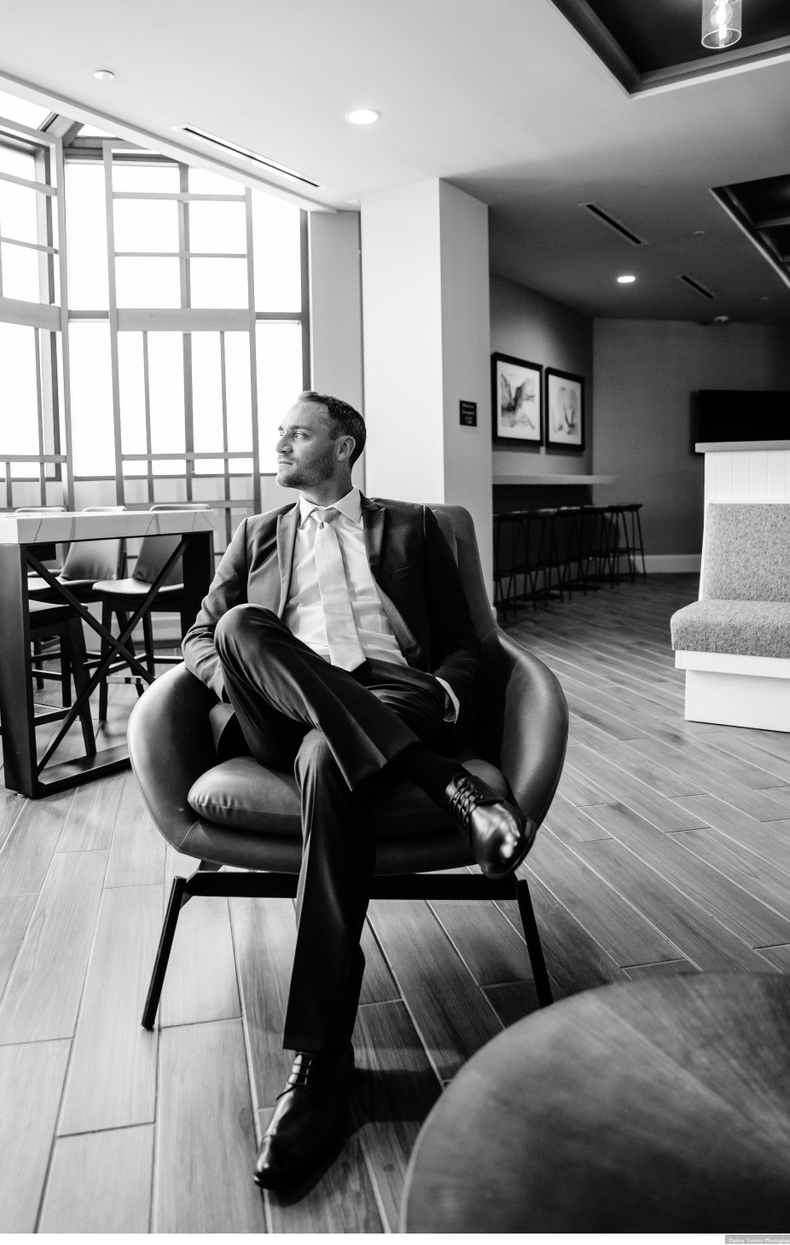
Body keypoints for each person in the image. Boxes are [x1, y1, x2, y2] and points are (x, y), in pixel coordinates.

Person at [182, 391, 537, 1189]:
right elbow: (202, 635)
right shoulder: (256, 533)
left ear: (343, 447)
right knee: (240, 625)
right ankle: (450, 787)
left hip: (390, 693)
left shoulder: (415, 526)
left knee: (326, 760)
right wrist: (246, 682)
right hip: (279, 703)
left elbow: (462, 641)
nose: (280, 443)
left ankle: (319, 1062)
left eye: (297, 433)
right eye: (278, 432)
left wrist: (443, 691)